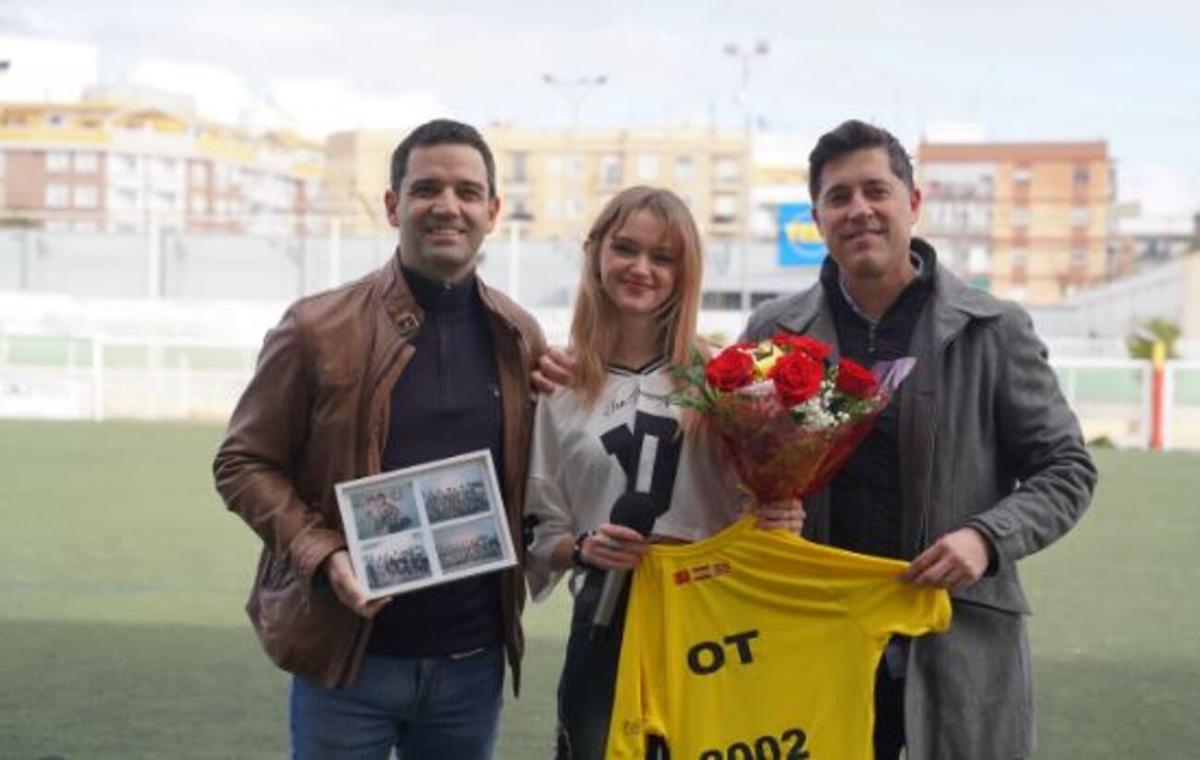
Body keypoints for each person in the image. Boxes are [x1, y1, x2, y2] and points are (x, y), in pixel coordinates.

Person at [739, 119, 1097, 759]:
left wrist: (986, 538)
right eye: (838, 197)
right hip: (815, 636)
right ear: (818, 219)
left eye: (875, 190)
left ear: (913, 202)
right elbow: (728, 466)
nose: (859, 210)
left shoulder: (994, 328)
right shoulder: (773, 331)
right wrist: (758, 508)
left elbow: (1067, 468)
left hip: (957, 639)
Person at [213, 119, 546, 760]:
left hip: (472, 665)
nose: (447, 206)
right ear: (394, 206)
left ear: (493, 211)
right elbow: (242, 461)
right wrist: (324, 555)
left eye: (467, 192)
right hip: (348, 661)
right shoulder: (316, 327)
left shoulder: (519, 334)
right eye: (426, 189)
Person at [523, 186, 804, 760]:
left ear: (685, 271)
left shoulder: (726, 378)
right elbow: (538, 530)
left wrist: (782, 513)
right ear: (596, 252)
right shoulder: (557, 385)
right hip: (607, 613)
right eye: (625, 248)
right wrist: (584, 549)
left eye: (663, 256)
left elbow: (759, 504)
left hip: (713, 613)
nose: (641, 268)